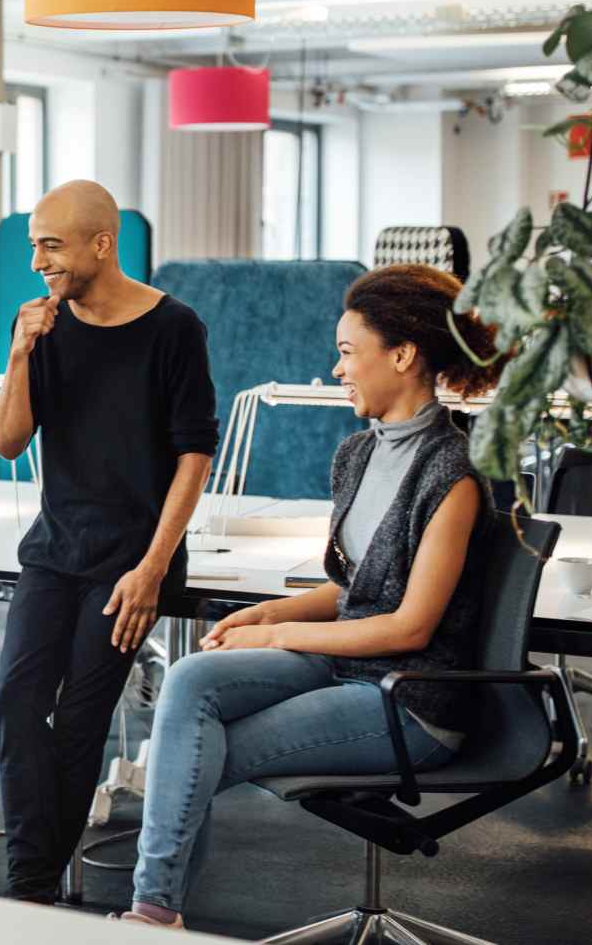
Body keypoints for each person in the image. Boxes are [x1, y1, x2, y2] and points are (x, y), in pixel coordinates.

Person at [117, 264, 504, 930]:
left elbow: (409, 627)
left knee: (197, 750)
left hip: (410, 699)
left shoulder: (454, 474)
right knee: (191, 680)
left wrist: (275, 637)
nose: (336, 369)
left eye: (350, 352)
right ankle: (158, 911)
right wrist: (273, 611)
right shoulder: (357, 454)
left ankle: (154, 915)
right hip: (348, 665)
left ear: (404, 355)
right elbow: (355, 589)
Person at [0, 180, 219, 904]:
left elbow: (193, 455)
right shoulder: (47, 327)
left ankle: (31, 889)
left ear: (101, 243)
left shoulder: (174, 327)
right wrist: (21, 354)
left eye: (50, 244)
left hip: (131, 562)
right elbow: (7, 439)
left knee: (81, 722)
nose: (38, 261)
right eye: (34, 245)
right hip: (55, 548)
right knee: (13, 699)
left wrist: (153, 568)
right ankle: (36, 883)